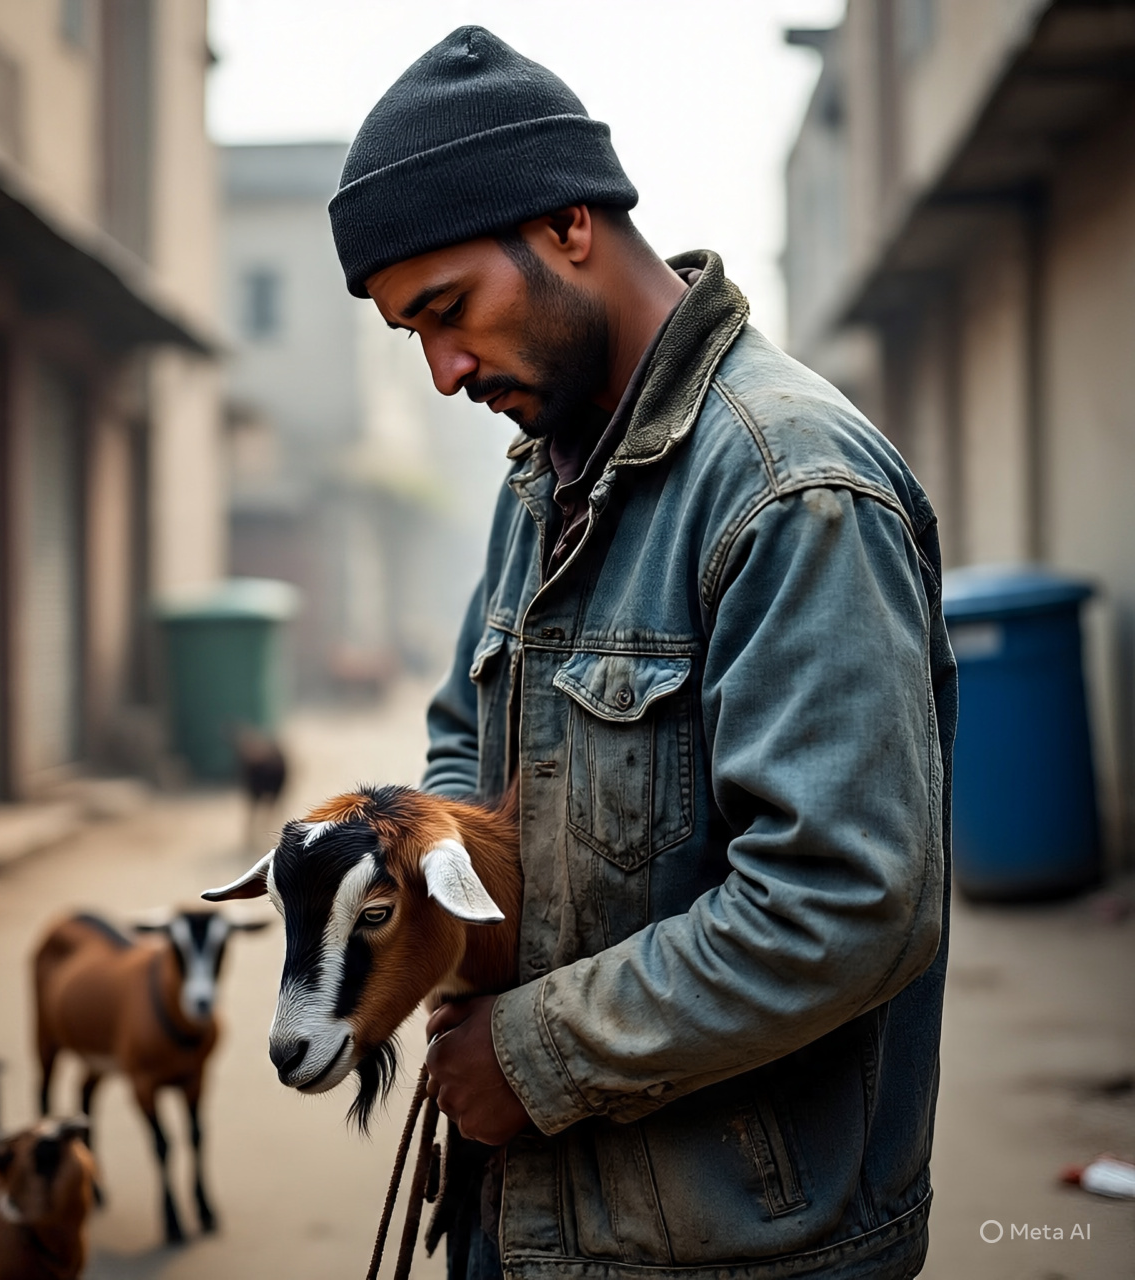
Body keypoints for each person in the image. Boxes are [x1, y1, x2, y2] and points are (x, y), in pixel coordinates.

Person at [328, 26, 955, 1280]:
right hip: (522, 1214)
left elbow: (842, 901)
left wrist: (532, 1053)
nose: (444, 371)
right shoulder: (540, 479)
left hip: (725, 1246)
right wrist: (448, 910)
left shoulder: (789, 489)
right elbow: (462, 735)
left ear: (568, 223)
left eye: (447, 310)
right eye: (411, 334)